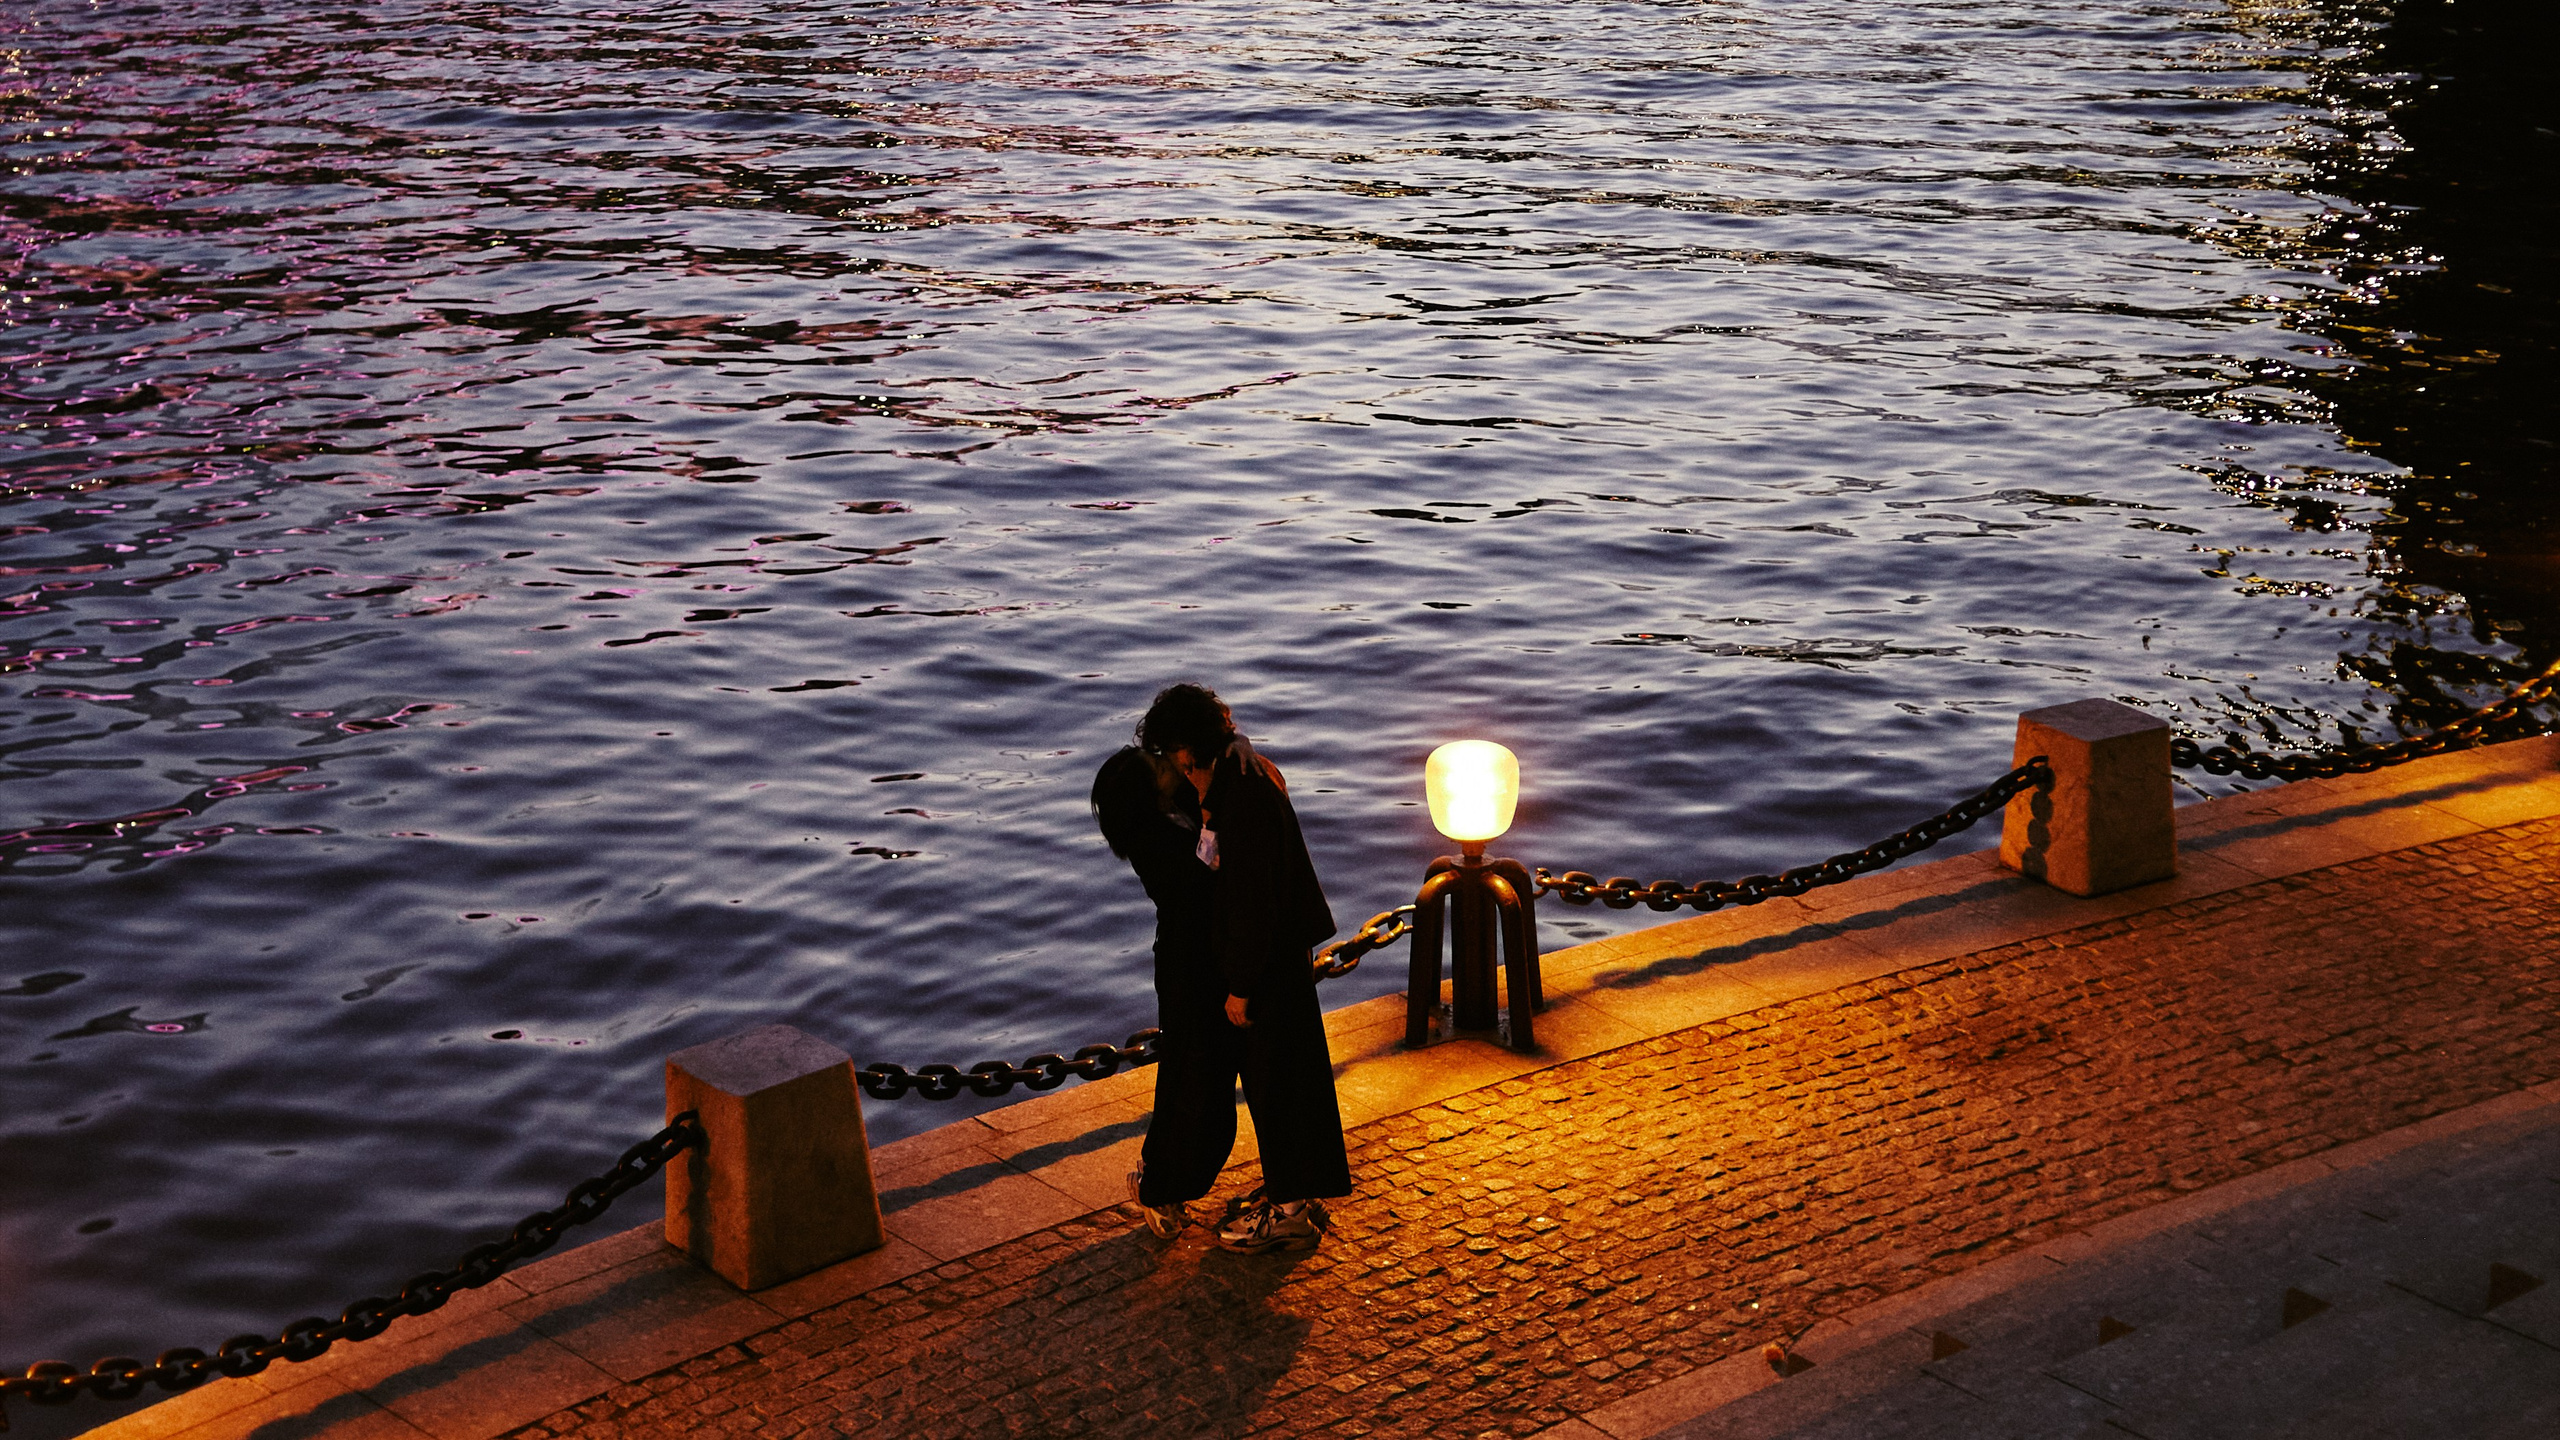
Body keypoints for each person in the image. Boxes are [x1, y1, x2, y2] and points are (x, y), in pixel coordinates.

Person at [1092, 682, 1352, 1253]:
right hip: (1195, 968)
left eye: (1165, 756)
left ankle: (1286, 1194)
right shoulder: (1159, 840)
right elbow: (1214, 886)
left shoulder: (1213, 788)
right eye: (1157, 766)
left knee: (1276, 1082)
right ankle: (1163, 1185)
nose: (1167, 768)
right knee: (1195, 1085)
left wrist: (1232, 754)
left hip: (1239, 959)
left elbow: (1243, 877)